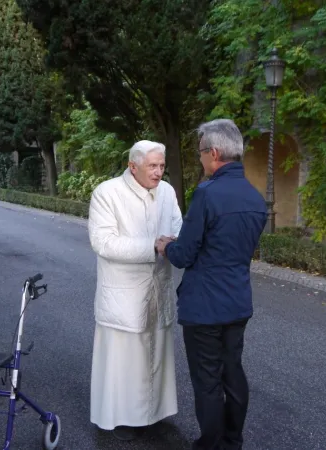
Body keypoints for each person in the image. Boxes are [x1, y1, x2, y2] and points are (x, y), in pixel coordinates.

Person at [157, 119, 267, 450]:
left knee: (207, 380)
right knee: (233, 373)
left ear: (214, 153)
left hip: (204, 306)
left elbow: (184, 255)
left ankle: (210, 444)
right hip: (237, 302)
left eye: (201, 153)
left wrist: (166, 245)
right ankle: (232, 442)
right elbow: (230, 244)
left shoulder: (207, 194)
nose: (200, 160)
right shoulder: (255, 197)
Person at [88, 140, 182, 441]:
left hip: (158, 286)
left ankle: (153, 414)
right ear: (133, 166)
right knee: (125, 359)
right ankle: (122, 418)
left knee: (155, 353)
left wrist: (176, 244)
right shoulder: (107, 192)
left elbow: (178, 227)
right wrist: (151, 246)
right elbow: (103, 242)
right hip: (123, 293)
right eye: (152, 166)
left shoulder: (166, 191)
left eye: (161, 166)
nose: (158, 173)